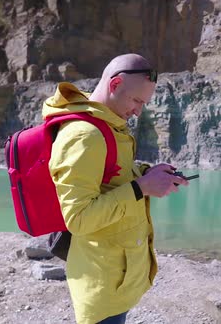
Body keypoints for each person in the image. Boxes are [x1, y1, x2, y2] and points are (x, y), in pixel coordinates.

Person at [42, 53, 189, 324]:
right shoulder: (84, 135)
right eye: (136, 101)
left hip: (115, 273)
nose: (138, 111)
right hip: (101, 281)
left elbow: (111, 175)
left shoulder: (106, 123)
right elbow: (78, 218)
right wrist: (141, 187)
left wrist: (148, 173)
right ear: (115, 84)